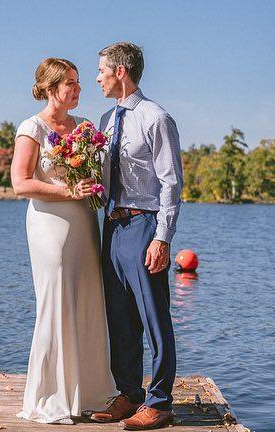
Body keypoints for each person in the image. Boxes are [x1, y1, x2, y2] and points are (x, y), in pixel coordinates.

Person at [12, 57, 118, 424]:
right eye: (69, 83)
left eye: (78, 82)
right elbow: (20, 183)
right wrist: (70, 190)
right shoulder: (32, 128)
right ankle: (51, 396)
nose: (77, 89)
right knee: (55, 302)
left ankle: (88, 392)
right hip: (49, 226)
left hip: (85, 223)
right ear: (49, 87)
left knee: (88, 300)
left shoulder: (85, 127)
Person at [89, 42, 183, 430]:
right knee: (120, 316)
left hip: (145, 225)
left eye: (101, 71)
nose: (98, 78)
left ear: (121, 72)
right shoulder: (106, 119)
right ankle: (129, 393)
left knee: (154, 317)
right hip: (112, 226)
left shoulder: (156, 118)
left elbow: (171, 183)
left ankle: (159, 402)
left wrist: (162, 237)